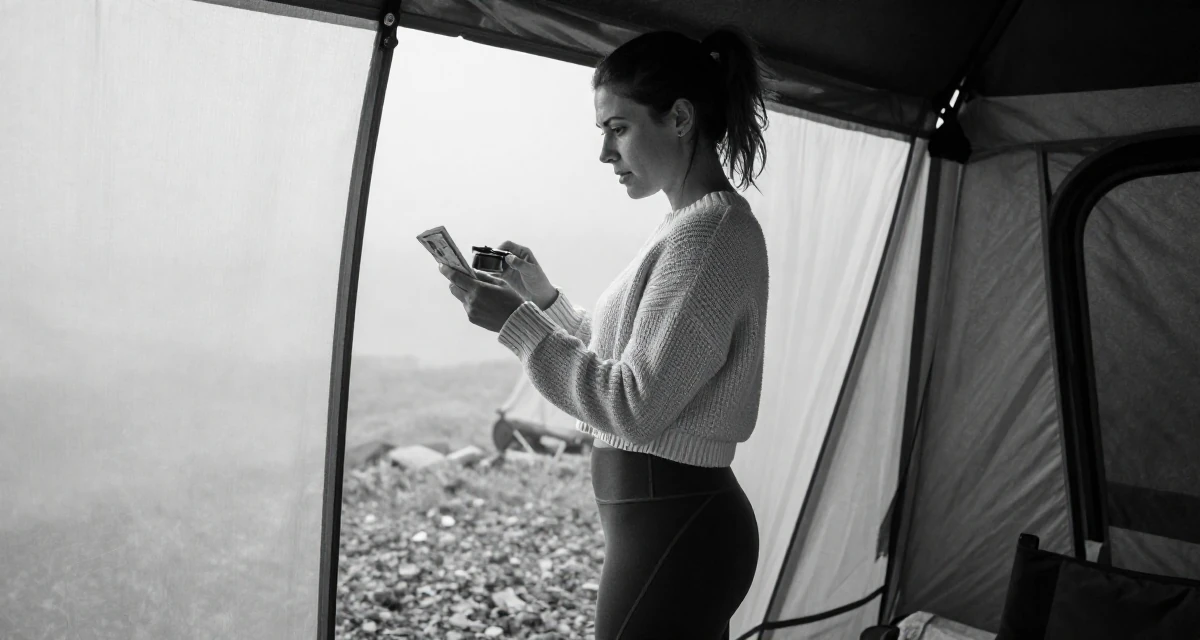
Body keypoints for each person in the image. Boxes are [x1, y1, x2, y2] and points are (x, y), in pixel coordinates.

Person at [439, 25, 773, 640]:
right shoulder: (687, 226)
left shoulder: (709, 236)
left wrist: (516, 326)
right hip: (667, 523)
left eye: (618, 128)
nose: (604, 153)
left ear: (680, 118)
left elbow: (633, 405)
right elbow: (632, 359)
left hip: (676, 527)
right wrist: (542, 299)